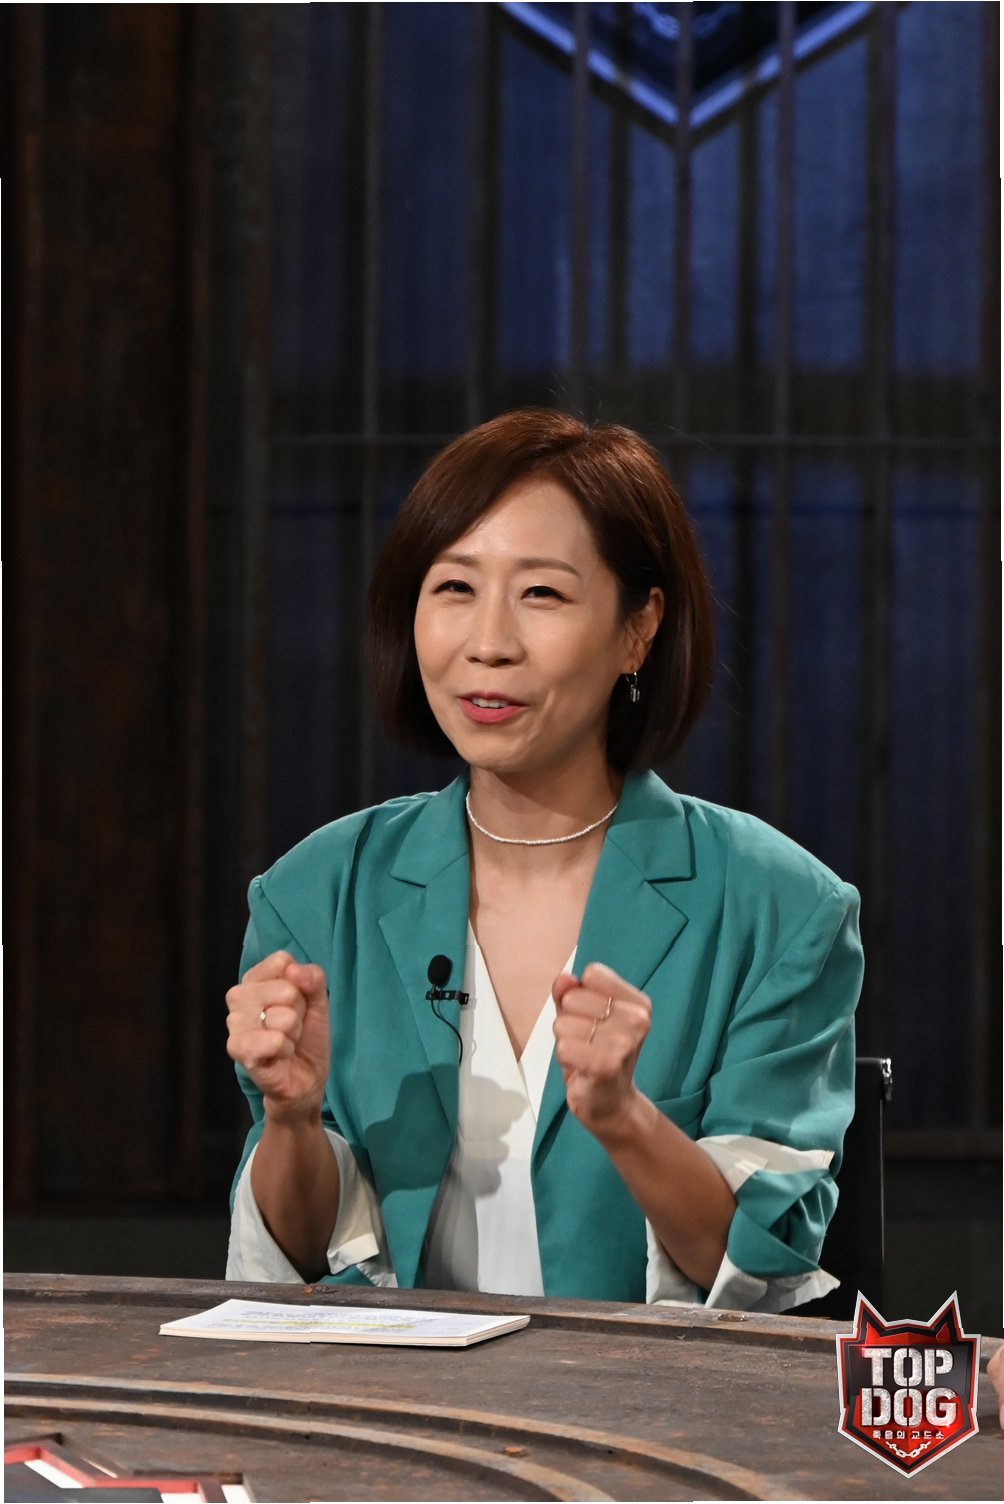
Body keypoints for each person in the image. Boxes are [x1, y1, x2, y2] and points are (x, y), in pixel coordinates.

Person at [225, 407, 863, 1311]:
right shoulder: (314, 894)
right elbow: (294, 1264)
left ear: (639, 629)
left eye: (542, 595)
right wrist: (290, 1119)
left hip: (640, 1395)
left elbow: (766, 1267)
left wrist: (626, 1119)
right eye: (454, 587)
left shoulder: (780, 908)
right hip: (380, 1390)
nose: (488, 643)